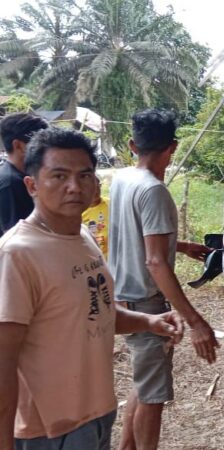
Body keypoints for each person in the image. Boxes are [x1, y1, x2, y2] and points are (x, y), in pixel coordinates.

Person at [0, 127, 182, 450]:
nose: (74, 187)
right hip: (49, 429)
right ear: (31, 185)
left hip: (97, 413)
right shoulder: (17, 253)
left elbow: (94, 310)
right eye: (59, 176)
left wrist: (149, 322)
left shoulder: (82, 237)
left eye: (84, 175)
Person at [108, 109, 218, 450]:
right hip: (145, 304)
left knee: (144, 385)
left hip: (124, 298)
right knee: (153, 398)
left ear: (131, 144)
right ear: (172, 147)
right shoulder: (154, 190)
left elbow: (138, 238)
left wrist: (179, 246)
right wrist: (196, 321)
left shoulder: (123, 178)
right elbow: (155, 261)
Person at [0, 113, 49, 236]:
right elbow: (16, 237)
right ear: (18, 146)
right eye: (40, 144)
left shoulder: (22, 177)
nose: (47, 150)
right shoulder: (11, 183)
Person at [82, 175, 110, 257]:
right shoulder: (78, 211)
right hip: (92, 259)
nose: (96, 191)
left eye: (98, 186)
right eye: (91, 188)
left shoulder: (111, 204)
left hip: (113, 258)